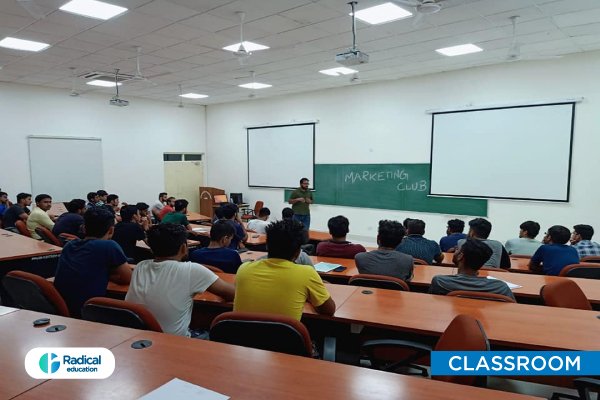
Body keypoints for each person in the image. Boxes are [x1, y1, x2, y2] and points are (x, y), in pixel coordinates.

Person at [126, 223, 234, 337]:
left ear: (152, 249)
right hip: (174, 343)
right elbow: (232, 294)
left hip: (138, 339)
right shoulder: (191, 270)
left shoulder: (140, 266)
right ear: (183, 248)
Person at [234, 219, 335, 320]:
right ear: (297, 253)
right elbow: (329, 310)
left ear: (267, 246)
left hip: (240, 335)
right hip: (284, 335)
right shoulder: (307, 273)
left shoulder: (244, 269)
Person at [54, 208, 132, 317]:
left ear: (84, 228)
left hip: (63, 309)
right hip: (90, 311)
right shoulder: (109, 246)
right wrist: (109, 275)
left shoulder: (69, 245)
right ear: (111, 231)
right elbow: (127, 278)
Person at [429, 238, 515, 300]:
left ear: (460, 256)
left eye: (457, 249)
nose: (455, 251)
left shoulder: (440, 282)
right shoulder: (500, 287)